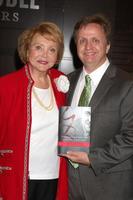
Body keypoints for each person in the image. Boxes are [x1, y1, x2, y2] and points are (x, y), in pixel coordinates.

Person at [62, 13, 133, 200]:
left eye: (95, 40)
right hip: (70, 185)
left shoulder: (127, 83)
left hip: (109, 187)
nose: (88, 47)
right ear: (76, 46)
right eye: (82, 41)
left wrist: (92, 159)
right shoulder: (67, 81)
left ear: (107, 45)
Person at [0, 21, 69, 200]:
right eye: (38, 47)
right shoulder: (6, 86)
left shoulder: (60, 83)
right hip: (17, 176)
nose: (45, 54)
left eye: (52, 49)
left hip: (53, 175)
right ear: (27, 49)